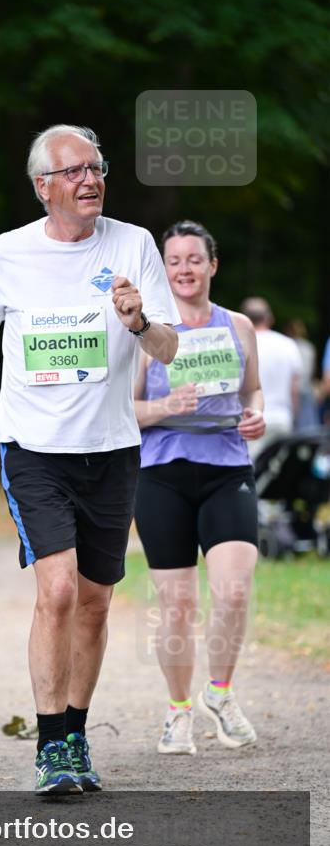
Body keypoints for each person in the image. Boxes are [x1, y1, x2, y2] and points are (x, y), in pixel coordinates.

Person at [0, 124, 179, 794]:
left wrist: (139, 323)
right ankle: (50, 745)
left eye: (96, 167)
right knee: (56, 591)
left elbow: (167, 348)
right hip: (33, 448)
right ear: (42, 186)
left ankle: (76, 734)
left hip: (111, 448)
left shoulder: (133, 243)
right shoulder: (8, 251)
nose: (90, 180)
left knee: (95, 602)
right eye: (74, 170)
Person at [134, 220, 265, 756]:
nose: (184, 269)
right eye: (174, 261)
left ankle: (220, 692)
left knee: (233, 591)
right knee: (178, 605)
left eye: (194, 259)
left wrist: (255, 415)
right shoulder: (147, 334)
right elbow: (121, 412)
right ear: (163, 270)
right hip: (161, 474)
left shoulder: (239, 326)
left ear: (212, 265)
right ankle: (178, 710)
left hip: (227, 469)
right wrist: (166, 406)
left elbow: (253, 391)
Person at [240, 297, 302, 460]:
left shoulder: (240, 344)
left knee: (252, 469)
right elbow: (295, 390)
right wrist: (293, 418)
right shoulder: (288, 344)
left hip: (251, 420)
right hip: (282, 419)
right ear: (269, 318)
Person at [282, 319, 319, 431]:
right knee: (309, 424)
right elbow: (311, 370)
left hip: (292, 388)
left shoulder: (287, 346)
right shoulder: (309, 347)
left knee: (293, 425)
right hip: (306, 387)